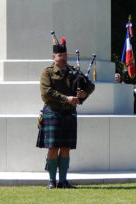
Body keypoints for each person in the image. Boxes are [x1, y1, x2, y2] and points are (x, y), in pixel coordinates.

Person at [36, 33, 95, 189]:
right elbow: (46, 93)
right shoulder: (47, 73)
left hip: (69, 113)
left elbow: (90, 86)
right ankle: (51, 181)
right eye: (59, 55)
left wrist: (83, 95)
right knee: (53, 147)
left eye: (64, 55)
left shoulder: (74, 71)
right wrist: (66, 98)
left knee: (66, 148)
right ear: (54, 56)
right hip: (53, 112)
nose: (62, 58)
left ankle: (63, 181)